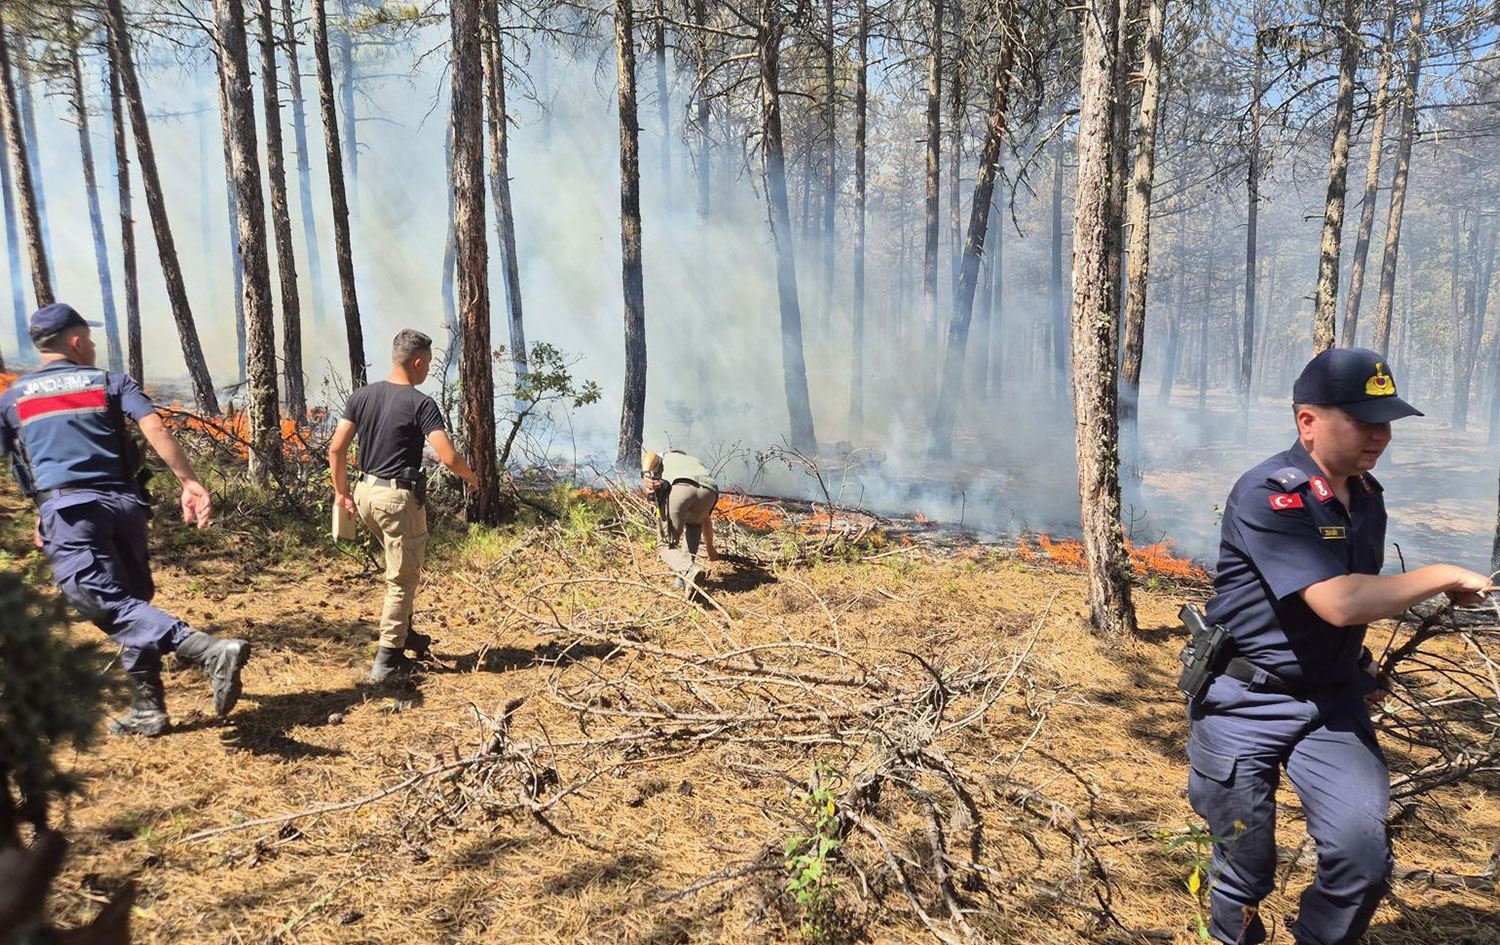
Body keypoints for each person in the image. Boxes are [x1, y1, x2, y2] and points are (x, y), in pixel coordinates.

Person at [1187, 347, 1492, 945]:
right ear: (1308, 421)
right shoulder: (1268, 494)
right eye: (1361, 419)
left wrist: (1358, 664)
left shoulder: (1367, 496)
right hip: (1244, 702)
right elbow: (1338, 601)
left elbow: (1345, 611)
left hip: (1329, 702)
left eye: (1386, 422)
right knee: (1242, 868)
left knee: (1361, 858)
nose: (1379, 435)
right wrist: (1443, 573)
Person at [0, 303, 252, 736]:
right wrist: (189, 482)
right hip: (124, 507)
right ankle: (148, 709)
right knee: (132, 600)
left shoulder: (13, 398)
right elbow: (155, 429)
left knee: (102, 599)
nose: (94, 346)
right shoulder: (109, 383)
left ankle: (206, 649)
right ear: (76, 342)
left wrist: (41, 507)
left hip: (71, 511)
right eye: (90, 339)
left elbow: (16, 461)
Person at [328, 329, 480, 682]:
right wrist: (472, 478)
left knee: (399, 562)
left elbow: (336, 450)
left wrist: (341, 493)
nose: (427, 370)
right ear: (416, 362)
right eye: (427, 364)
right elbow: (448, 456)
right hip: (397, 500)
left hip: (365, 493)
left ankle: (405, 632)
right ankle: (388, 660)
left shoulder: (362, 396)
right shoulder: (420, 403)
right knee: (402, 577)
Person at [642, 449, 719, 592]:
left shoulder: (666, 456)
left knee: (665, 546)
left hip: (681, 488)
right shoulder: (694, 463)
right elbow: (706, 520)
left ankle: (690, 569)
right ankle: (684, 581)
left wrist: (645, 473)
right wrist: (710, 547)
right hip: (710, 492)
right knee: (694, 526)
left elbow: (651, 453)